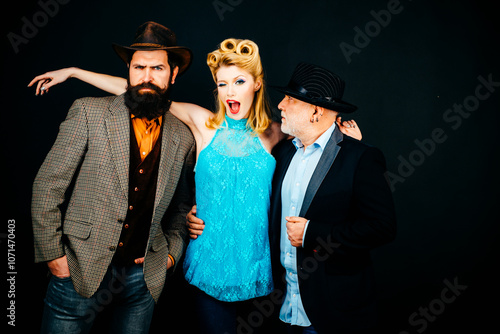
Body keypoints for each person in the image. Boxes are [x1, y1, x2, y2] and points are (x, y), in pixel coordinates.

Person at [29, 41, 362, 333]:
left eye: (239, 82)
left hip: (258, 267)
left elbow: (315, 125)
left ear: (257, 84)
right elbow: (139, 88)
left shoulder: (274, 132)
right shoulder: (203, 123)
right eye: (222, 84)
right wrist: (74, 72)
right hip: (208, 265)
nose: (230, 91)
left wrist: (347, 142)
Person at [31, 21, 196, 334]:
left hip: (143, 279)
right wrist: (54, 255)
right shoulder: (88, 112)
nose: (146, 77)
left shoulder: (184, 135)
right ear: (129, 71)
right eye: (139, 67)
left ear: (173, 74)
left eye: (158, 68)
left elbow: (179, 208)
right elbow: (47, 187)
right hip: (78, 268)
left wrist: (171, 257)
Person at [269, 62, 397, 333]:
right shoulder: (283, 153)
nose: (280, 105)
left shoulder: (360, 158)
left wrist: (311, 232)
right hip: (281, 308)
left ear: (315, 111)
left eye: (290, 99)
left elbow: (382, 228)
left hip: (332, 312)